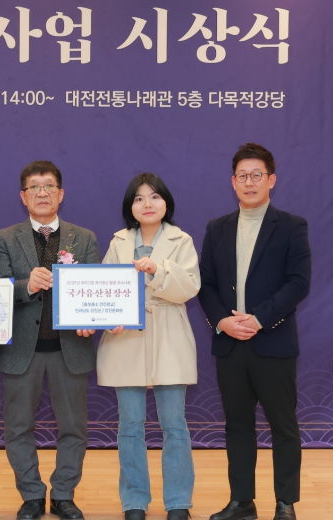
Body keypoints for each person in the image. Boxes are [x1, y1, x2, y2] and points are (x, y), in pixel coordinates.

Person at [198, 143, 311, 520]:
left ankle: (285, 503)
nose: (249, 182)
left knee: (283, 426)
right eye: (242, 176)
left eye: (256, 175)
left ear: (271, 180)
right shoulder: (216, 228)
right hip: (230, 344)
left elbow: (298, 283)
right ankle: (241, 502)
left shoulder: (292, 226)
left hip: (273, 341)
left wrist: (259, 319)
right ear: (233, 182)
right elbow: (206, 284)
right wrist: (222, 321)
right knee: (237, 426)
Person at [0, 160, 100, 520]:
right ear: (23, 196)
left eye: (49, 186)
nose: (42, 193)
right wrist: (26, 286)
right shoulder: (5, 238)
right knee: (18, 427)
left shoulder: (84, 238)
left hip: (71, 349)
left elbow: (94, 290)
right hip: (23, 351)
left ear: (60, 194)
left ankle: (64, 495)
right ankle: (32, 495)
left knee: (74, 428)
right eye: (34, 187)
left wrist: (91, 320)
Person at [97, 173, 200, 520]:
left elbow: (190, 287)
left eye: (154, 197)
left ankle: (178, 502)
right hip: (126, 339)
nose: (147, 204)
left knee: (174, 425)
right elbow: (105, 288)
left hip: (169, 335)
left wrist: (157, 270)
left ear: (166, 202)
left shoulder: (181, 240)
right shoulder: (118, 242)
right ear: (131, 207)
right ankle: (134, 501)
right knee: (130, 426)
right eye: (139, 198)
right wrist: (109, 317)